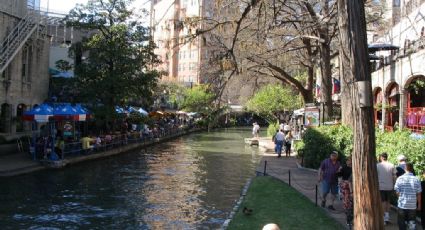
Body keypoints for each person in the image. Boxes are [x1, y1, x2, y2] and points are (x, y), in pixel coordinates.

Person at [394, 163, 422, 230]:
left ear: (405, 169)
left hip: (402, 205)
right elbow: (419, 193)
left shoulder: (399, 178)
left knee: (401, 223)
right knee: (412, 223)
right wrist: (419, 205)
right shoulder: (416, 179)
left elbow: (397, 191)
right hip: (412, 205)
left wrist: (400, 198)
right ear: (412, 169)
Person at [377, 152, 396, 225]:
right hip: (390, 186)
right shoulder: (392, 165)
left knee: (383, 202)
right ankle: (387, 218)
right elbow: (394, 176)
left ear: (381, 157)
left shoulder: (377, 165)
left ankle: (383, 218)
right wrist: (394, 185)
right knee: (388, 202)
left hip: (381, 186)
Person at [338, 156, 353, 226]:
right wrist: (338, 171)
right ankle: (348, 217)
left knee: (351, 202)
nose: (349, 161)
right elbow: (339, 175)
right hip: (346, 186)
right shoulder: (344, 167)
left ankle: (350, 215)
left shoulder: (354, 168)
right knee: (347, 202)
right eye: (349, 160)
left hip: (353, 186)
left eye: (350, 160)